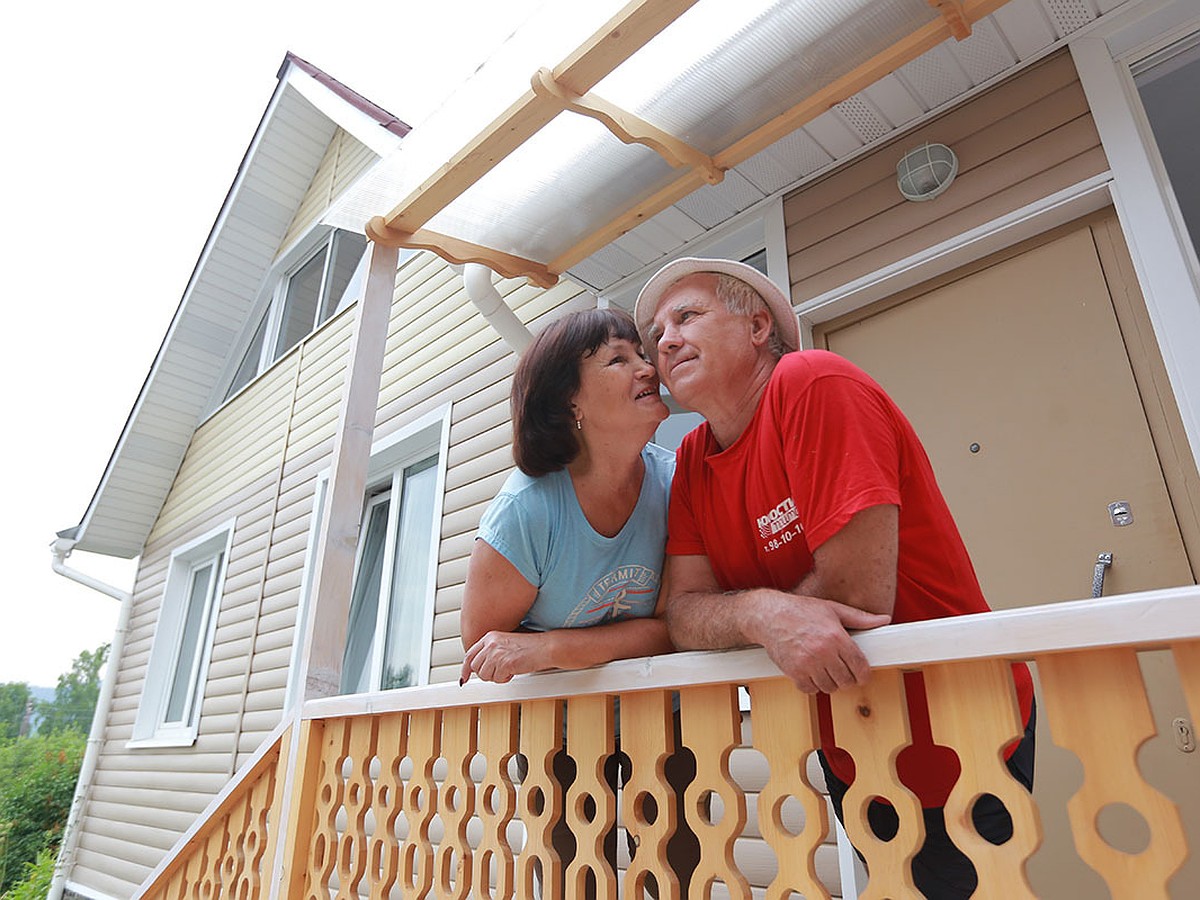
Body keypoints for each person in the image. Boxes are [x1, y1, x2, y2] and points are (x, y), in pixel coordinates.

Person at [634, 258, 1036, 900]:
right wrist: (758, 615)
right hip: (849, 743)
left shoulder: (811, 382)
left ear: (759, 325)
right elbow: (681, 615)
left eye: (687, 316)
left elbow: (857, 598)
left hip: (962, 730)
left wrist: (738, 613)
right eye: (657, 334)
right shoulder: (692, 459)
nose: (665, 342)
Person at [459, 306, 698, 896]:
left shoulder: (678, 484)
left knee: (680, 872)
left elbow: (676, 627)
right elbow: (486, 652)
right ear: (572, 405)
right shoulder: (528, 511)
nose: (649, 367)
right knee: (573, 879)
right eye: (620, 359)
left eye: (644, 354)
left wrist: (549, 649)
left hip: (658, 717)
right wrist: (544, 658)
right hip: (555, 731)